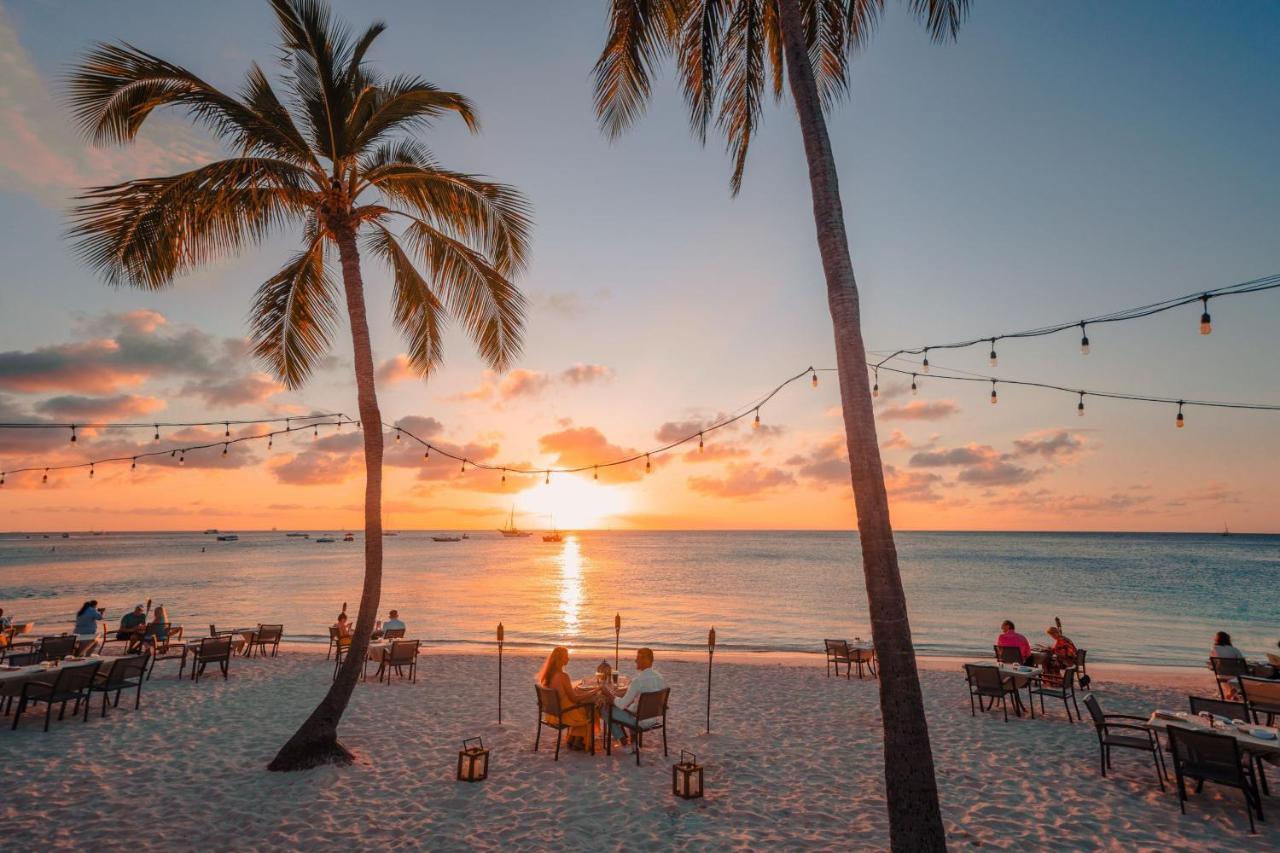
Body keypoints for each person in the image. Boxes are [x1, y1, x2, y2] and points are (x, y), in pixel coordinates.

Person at [537, 646, 597, 751]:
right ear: (560, 659)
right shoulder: (563, 676)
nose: (568, 659)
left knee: (583, 707)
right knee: (591, 708)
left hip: (551, 714)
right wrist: (593, 692)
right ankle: (578, 741)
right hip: (563, 714)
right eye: (566, 657)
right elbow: (574, 699)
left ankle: (573, 739)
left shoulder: (549, 675)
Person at [609, 647, 666, 744]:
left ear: (646, 660)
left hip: (639, 721)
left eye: (638, 658)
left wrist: (610, 695)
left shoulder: (638, 681)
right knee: (632, 704)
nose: (635, 661)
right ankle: (633, 738)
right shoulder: (659, 677)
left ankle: (622, 738)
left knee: (606, 709)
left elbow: (622, 705)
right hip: (653, 718)